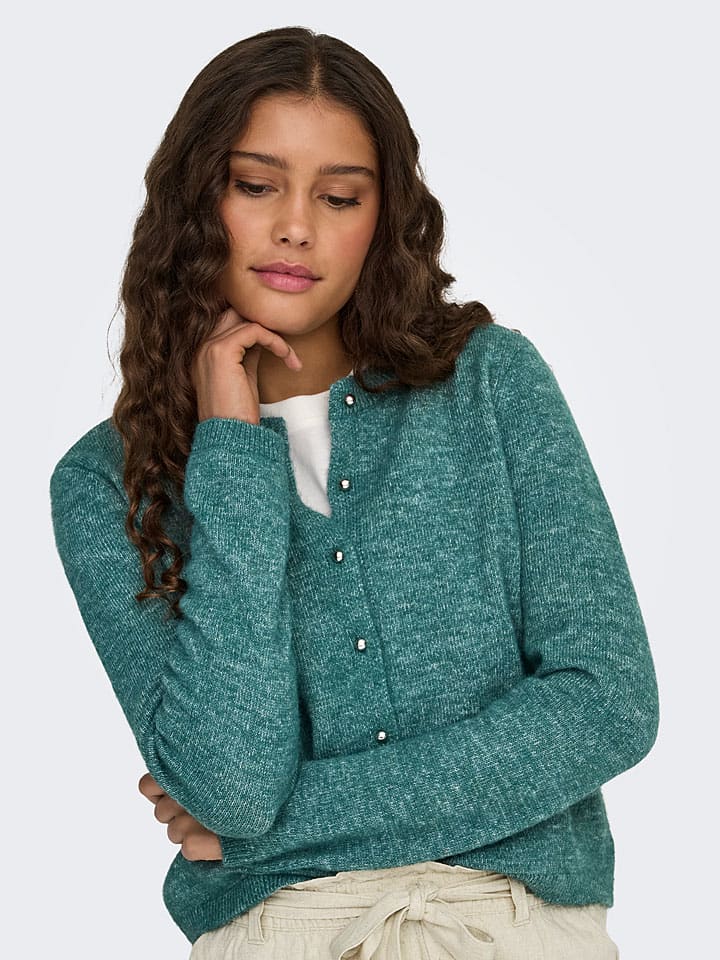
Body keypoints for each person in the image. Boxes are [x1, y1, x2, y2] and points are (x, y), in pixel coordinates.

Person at [49, 25, 659, 960]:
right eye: (256, 186)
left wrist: (275, 834)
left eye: (339, 196)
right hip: (281, 934)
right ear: (195, 199)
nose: (297, 226)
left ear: (383, 217)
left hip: (509, 926)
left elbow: (606, 703)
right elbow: (231, 787)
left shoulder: (490, 384)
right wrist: (230, 450)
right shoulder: (107, 483)